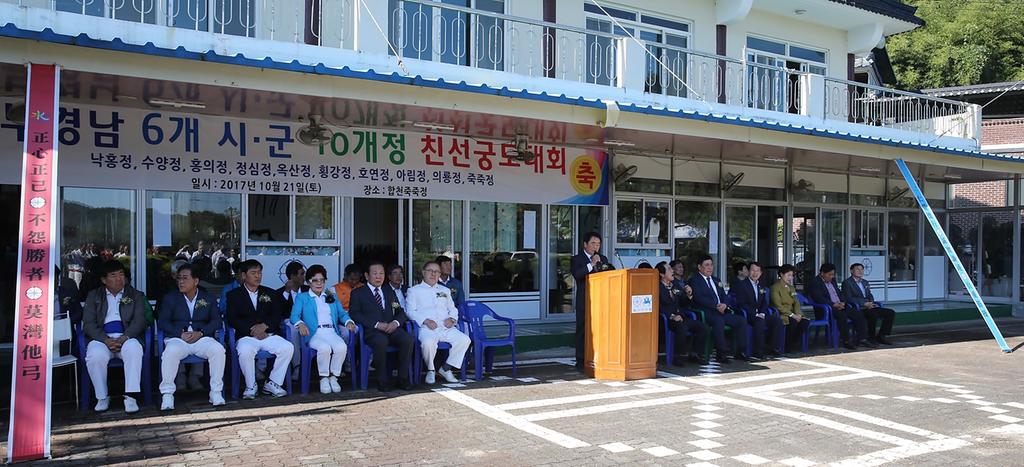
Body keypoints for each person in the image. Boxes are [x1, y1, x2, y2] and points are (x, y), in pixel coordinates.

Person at [157, 264, 226, 410]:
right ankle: (167, 394)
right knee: (170, 352)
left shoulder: (208, 297)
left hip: (201, 338)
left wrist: (201, 332)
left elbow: (217, 321)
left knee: (218, 350)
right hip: (178, 338)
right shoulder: (171, 298)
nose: (181, 282)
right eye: (179, 278)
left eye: (185, 278)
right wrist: (179, 333)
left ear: (196, 281)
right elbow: (163, 321)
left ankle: (216, 392)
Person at [82, 260, 148, 413]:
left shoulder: (136, 295)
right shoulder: (94, 296)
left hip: (127, 337)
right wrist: (106, 340)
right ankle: (102, 396)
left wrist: (125, 337)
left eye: (121, 274)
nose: (119, 279)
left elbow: (140, 320)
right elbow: (89, 324)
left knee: (134, 350)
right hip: (102, 339)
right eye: (113, 275)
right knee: (95, 356)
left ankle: (131, 396)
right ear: (104, 280)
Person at [225, 260, 294, 399]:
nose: (258, 276)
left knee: (287, 347)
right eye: (253, 273)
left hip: (268, 335)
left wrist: (265, 326)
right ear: (244, 276)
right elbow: (232, 319)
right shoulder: (234, 295)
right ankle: (251, 386)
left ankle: (273, 382)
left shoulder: (270, 293)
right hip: (247, 336)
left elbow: (277, 315)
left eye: (259, 272)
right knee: (245, 351)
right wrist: (253, 330)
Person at [349, 262, 415, 392]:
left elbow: (399, 311)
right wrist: (377, 324)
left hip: (391, 329)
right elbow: (355, 314)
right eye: (375, 274)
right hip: (372, 331)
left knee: (407, 339)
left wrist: (395, 323)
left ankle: (402, 378)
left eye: (381, 273)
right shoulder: (358, 293)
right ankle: (382, 380)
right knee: (381, 341)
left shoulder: (388, 291)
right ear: (367, 276)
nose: (378, 277)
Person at [291, 265, 357, 394]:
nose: (319, 283)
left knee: (341, 347)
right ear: (309, 281)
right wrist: (300, 323)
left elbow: (342, 314)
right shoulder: (303, 297)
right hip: (315, 333)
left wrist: (349, 321)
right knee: (324, 348)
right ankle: (323, 378)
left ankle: (334, 377)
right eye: (315, 280)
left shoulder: (330, 295)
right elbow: (294, 316)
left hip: (331, 331)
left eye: (322, 280)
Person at [407, 261, 471, 384]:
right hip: (427, 328)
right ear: (423, 272)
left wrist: (452, 319)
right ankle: (431, 370)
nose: (433, 274)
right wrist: (425, 320)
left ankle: (445, 369)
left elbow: (453, 309)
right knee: (428, 342)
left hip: (445, 327)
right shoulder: (414, 291)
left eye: (436, 271)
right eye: (430, 271)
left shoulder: (445, 290)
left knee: (464, 340)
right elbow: (410, 311)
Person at [688, 254, 751, 363]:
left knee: (741, 320)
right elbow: (698, 298)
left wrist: (725, 304)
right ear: (699, 267)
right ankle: (721, 353)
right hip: (706, 312)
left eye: (711, 265)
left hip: (721, 310)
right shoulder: (695, 280)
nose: (710, 268)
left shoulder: (716, 280)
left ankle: (741, 352)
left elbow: (724, 296)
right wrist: (716, 305)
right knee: (719, 321)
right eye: (706, 265)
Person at [570, 232, 613, 370]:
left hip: (601, 299)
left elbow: (609, 274)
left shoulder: (603, 258)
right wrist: (591, 264)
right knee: (583, 330)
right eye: (593, 243)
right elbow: (578, 275)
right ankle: (581, 361)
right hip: (585, 299)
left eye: (598, 244)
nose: (596, 247)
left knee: (600, 329)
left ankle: (599, 357)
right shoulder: (577, 259)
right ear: (585, 244)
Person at [807, 263, 871, 350]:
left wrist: (843, 302)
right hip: (827, 309)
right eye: (829, 274)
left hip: (839, 305)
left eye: (833, 274)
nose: (832, 277)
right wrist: (833, 305)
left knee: (858, 314)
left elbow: (839, 293)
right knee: (842, 316)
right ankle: (846, 341)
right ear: (822, 273)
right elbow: (819, 298)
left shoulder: (832, 280)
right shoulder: (815, 282)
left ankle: (862, 339)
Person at [655, 261, 708, 366]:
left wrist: (689, 295)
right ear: (662, 274)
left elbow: (683, 302)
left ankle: (695, 354)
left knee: (703, 327)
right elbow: (657, 306)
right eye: (669, 269)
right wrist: (672, 316)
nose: (672, 271)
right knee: (681, 328)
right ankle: (678, 356)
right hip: (667, 319)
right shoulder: (657, 288)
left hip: (681, 316)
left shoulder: (675, 285)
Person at [731, 261, 783, 359]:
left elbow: (764, 302)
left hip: (760, 314)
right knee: (760, 322)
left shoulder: (761, 285)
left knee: (777, 321)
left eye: (757, 271)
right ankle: (758, 351)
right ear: (748, 272)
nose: (755, 273)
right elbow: (741, 304)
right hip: (748, 314)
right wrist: (755, 313)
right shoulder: (742, 285)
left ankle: (773, 348)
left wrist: (762, 312)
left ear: (761, 273)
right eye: (752, 270)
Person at [842, 263, 895, 345]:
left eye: (862, 269)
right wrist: (864, 303)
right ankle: (871, 337)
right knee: (873, 314)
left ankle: (881, 335)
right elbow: (848, 298)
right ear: (851, 271)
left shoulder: (865, 282)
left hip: (869, 306)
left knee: (890, 312)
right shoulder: (847, 283)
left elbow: (869, 295)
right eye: (857, 269)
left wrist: (871, 303)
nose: (860, 271)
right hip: (858, 308)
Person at [278, 260, 306, 379]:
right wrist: (287, 291)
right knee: (294, 330)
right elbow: (279, 311)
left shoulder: (307, 290)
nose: (304, 277)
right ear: (292, 276)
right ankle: (297, 366)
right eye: (301, 274)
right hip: (288, 322)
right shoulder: (280, 292)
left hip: (307, 320)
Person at [771, 264, 808, 352]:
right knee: (793, 322)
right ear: (781, 274)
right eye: (788, 275)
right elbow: (778, 305)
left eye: (791, 275)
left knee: (805, 322)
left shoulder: (791, 287)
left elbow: (796, 302)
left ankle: (794, 343)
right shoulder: (775, 287)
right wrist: (792, 315)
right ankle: (787, 345)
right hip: (782, 313)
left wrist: (798, 313)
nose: (790, 278)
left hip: (793, 313)